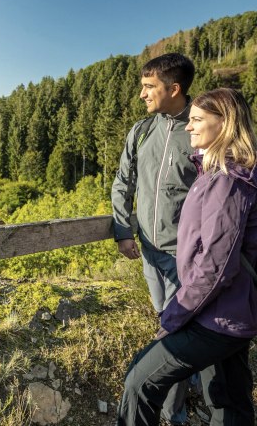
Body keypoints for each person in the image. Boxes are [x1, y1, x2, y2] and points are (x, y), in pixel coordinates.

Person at [116, 88, 257, 425]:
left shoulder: (227, 181)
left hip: (216, 316)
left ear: (223, 124)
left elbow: (214, 267)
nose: (189, 127)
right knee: (228, 398)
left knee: (139, 381)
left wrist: (174, 317)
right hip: (231, 312)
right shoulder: (221, 173)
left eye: (196, 120)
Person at [111, 53, 196, 424]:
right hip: (148, 251)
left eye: (149, 87)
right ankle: (187, 378)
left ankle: (172, 413)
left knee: (172, 333)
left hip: (187, 258)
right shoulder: (142, 130)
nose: (142, 95)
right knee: (165, 320)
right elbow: (122, 182)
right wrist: (121, 230)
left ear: (173, 88)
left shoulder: (202, 130)